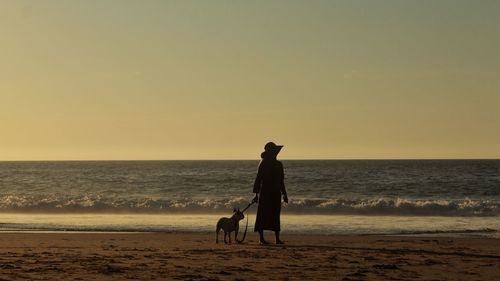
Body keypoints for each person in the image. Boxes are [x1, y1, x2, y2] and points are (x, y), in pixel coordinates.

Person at [252, 142, 288, 245]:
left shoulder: (278, 164)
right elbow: (258, 179)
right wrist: (256, 194)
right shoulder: (263, 164)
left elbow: (281, 181)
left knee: (275, 215)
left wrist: (285, 194)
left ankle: (277, 239)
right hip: (265, 193)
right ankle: (262, 238)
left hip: (275, 193)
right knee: (262, 215)